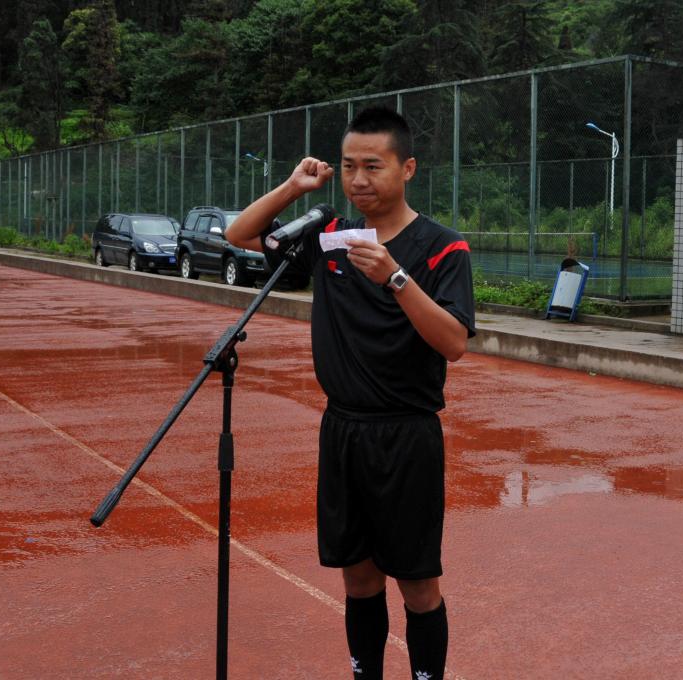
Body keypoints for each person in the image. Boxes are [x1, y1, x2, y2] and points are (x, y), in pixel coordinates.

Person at [226, 106, 475, 680]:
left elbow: (454, 342)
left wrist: (395, 276)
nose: (358, 179)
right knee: (359, 579)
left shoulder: (443, 247)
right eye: (348, 166)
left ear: (407, 168)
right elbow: (240, 234)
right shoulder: (330, 236)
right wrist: (294, 187)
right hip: (342, 430)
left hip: (407, 435)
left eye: (373, 166)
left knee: (417, 583)